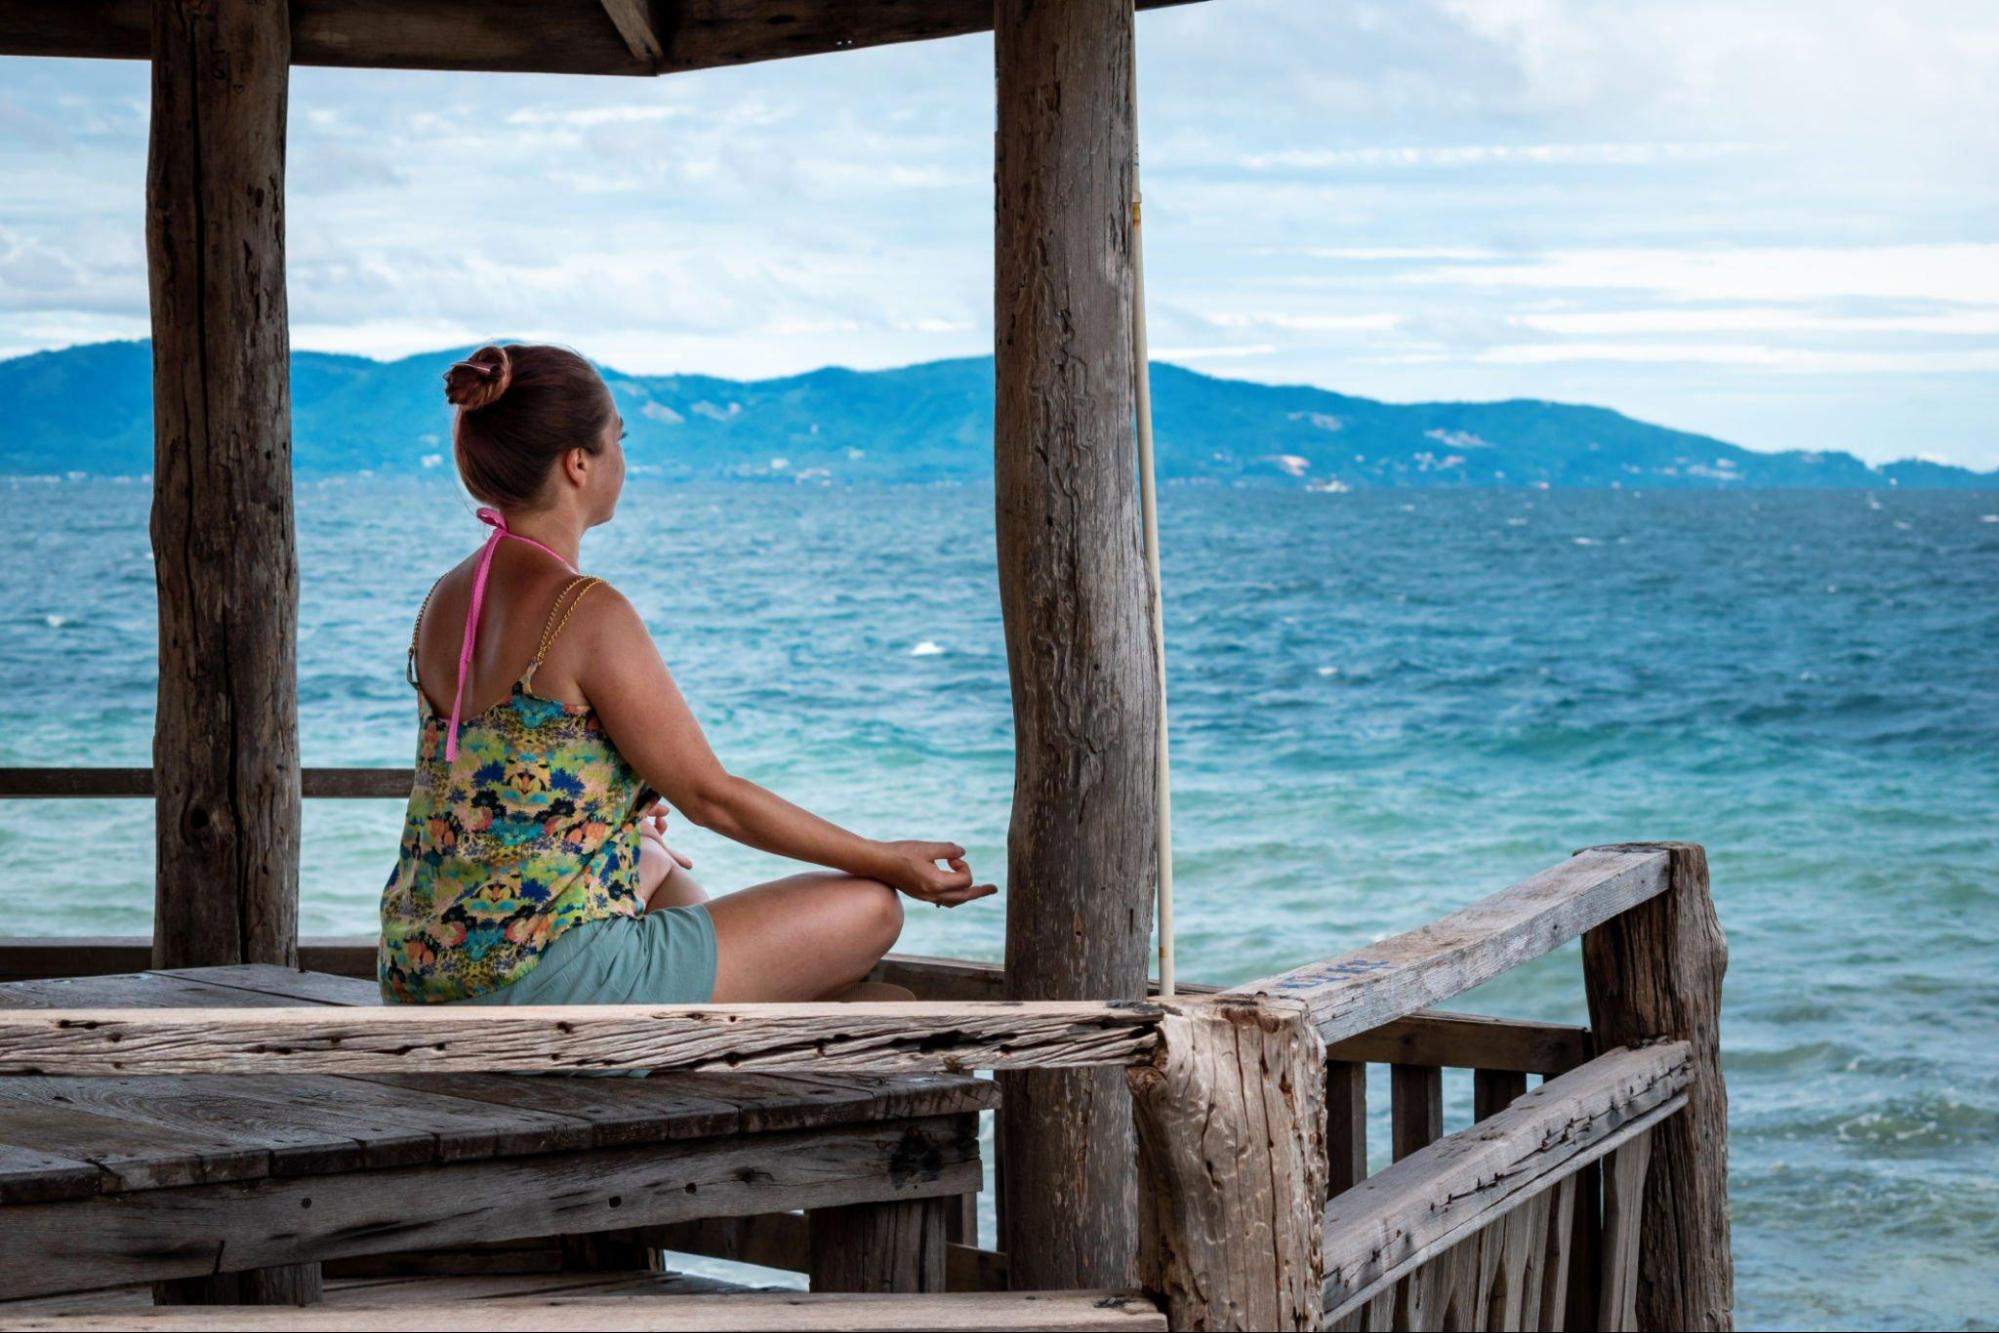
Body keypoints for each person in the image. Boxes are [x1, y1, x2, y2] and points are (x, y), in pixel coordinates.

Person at [379, 343, 993, 1008]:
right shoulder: (583, 609)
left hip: (423, 971)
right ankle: (771, 1022)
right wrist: (885, 858)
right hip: (535, 986)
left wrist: (619, 816)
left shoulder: (446, 597)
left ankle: (751, 1018)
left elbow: (501, 784)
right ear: (578, 462)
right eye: (621, 438)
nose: (624, 457)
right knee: (871, 908)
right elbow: (712, 798)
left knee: (651, 854)